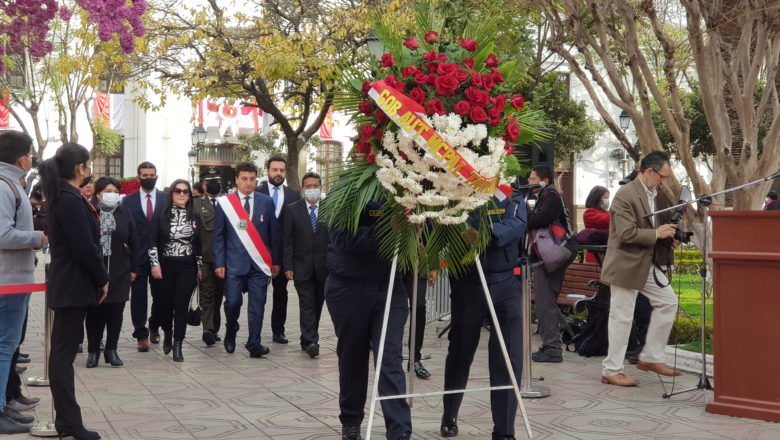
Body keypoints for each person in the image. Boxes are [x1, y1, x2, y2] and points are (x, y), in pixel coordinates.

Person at [440, 191, 527, 440]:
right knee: (460, 351)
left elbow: (516, 225)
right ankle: (450, 415)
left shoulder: (511, 196)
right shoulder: (461, 192)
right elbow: (454, 226)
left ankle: (504, 429)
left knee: (508, 357)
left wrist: (483, 235)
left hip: (506, 283)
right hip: (470, 283)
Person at [325, 201, 412, 440]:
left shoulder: (403, 187)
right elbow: (342, 240)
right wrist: (388, 230)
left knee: (390, 358)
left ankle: (399, 429)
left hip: (391, 288)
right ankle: (351, 420)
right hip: (349, 286)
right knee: (353, 357)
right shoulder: (349, 190)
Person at [39, 143, 108, 440]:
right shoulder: (69, 199)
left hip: (70, 281)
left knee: (63, 353)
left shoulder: (64, 196)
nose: (90, 171)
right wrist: (102, 278)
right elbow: (84, 247)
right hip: (73, 281)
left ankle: (67, 420)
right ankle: (69, 422)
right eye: (89, 165)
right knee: (63, 355)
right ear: (80, 168)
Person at [600, 151, 681, 386]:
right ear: (649, 171)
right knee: (621, 317)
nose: (664, 182)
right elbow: (625, 234)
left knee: (668, 301)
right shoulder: (625, 195)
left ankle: (651, 357)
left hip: (646, 262)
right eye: (662, 177)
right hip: (625, 264)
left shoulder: (656, 193)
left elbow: (658, 226)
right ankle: (611, 370)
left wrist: (670, 236)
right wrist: (657, 233)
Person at [0, 131, 45, 434]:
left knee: (7, 347)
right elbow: (3, 234)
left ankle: (5, 403)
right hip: (8, 281)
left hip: (16, 279)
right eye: (29, 152)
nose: (32, 158)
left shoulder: (12, 184)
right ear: (20, 158)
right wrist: (37, 238)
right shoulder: (5, 187)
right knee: (4, 348)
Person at [213, 162, 280, 358]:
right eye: (244, 179)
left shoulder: (266, 202)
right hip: (234, 263)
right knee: (233, 302)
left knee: (257, 305)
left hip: (259, 265)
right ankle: (231, 329)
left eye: (252, 179)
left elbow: (273, 234)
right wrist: (219, 262)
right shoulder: (226, 203)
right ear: (236, 180)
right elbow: (218, 235)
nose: (248, 183)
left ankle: (254, 343)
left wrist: (275, 261)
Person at [84, 177, 138, 368]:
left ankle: (111, 349)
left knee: (116, 311)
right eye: (107, 191)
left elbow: (134, 242)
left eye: (115, 191)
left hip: (120, 268)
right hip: (97, 269)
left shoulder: (125, 213)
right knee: (95, 312)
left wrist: (134, 269)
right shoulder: (90, 212)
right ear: (98, 193)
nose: (112, 195)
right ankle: (93, 351)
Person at [149, 180, 202, 362]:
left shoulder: (194, 216)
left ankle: (178, 344)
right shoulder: (160, 216)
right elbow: (152, 242)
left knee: (181, 306)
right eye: (178, 191)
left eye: (186, 191)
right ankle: (168, 332)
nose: (181, 194)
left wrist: (200, 267)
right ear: (171, 193)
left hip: (187, 266)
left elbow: (199, 245)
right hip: (165, 266)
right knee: (165, 305)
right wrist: (155, 264)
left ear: (189, 195)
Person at [121, 162, 168, 352]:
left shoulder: (166, 199)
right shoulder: (128, 201)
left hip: (160, 258)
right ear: (138, 177)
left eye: (152, 175)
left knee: (161, 296)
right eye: (145, 175)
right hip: (136, 257)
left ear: (157, 175)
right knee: (138, 297)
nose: (149, 178)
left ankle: (154, 325)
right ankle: (140, 334)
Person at [527, 165, 572, 363]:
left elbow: (540, 219)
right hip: (551, 254)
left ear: (544, 180)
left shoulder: (551, 194)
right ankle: (551, 346)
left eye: (532, 179)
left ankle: (552, 348)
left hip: (553, 253)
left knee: (545, 301)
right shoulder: (548, 195)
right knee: (545, 300)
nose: (529, 183)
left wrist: (523, 216)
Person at [283, 172, 329, 358]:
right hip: (301, 266)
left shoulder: (329, 209)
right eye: (308, 186)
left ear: (320, 188)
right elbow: (287, 240)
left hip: (324, 267)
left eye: (315, 186)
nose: (312, 190)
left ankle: (306, 337)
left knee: (318, 303)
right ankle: (312, 340)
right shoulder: (292, 209)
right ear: (302, 189)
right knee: (307, 303)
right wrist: (288, 266)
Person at [257, 156, 300, 344]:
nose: (278, 173)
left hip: (282, 255)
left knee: (281, 294)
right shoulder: (257, 192)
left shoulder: (293, 195)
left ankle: (278, 330)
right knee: (258, 293)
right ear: (267, 171)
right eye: (274, 170)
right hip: (259, 252)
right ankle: (254, 330)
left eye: (281, 170)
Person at [193, 169, 225, 346]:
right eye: (210, 181)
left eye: (217, 180)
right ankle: (208, 329)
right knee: (207, 294)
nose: (214, 184)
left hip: (224, 259)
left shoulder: (229, 203)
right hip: (205, 257)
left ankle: (215, 328)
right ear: (203, 185)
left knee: (219, 295)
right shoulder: (196, 204)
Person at [404, 273, 434, 379]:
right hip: (394, 264)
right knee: (392, 308)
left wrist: (435, 267)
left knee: (419, 307)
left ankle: (415, 359)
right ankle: (390, 359)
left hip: (418, 264)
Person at [582, 185, 610, 263]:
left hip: (606, 254)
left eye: (608, 198)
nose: (607, 201)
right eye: (605, 198)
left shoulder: (606, 212)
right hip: (595, 256)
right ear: (596, 199)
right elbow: (607, 220)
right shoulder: (589, 213)